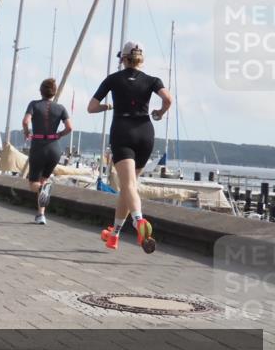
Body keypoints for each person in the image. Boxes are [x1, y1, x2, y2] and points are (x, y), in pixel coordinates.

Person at [87, 41, 173, 253]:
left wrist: (108, 105)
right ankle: (114, 234)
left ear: (122, 58)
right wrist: (159, 113)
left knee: (128, 186)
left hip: (123, 131)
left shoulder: (113, 79)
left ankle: (139, 222)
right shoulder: (152, 80)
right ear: (140, 59)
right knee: (128, 187)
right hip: (145, 132)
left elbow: (91, 107)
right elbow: (168, 99)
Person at [22, 78, 73, 224]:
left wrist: (26, 132)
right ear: (54, 92)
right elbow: (69, 127)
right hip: (54, 148)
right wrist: (59, 135)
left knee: (34, 184)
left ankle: (44, 189)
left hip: (39, 146)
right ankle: (41, 215)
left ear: (41, 91)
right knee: (43, 181)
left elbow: (25, 121)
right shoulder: (61, 108)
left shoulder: (34, 104)